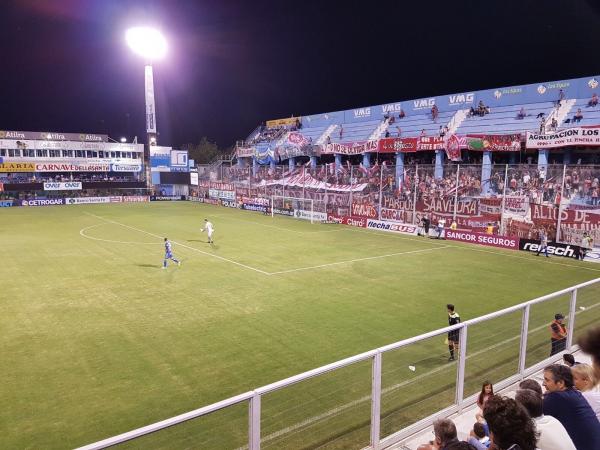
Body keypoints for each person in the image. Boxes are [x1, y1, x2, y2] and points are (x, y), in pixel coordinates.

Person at [542, 364, 600, 449]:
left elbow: (532, 416)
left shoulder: (557, 398)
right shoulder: (575, 394)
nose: (543, 383)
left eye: (547, 380)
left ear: (561, 383)